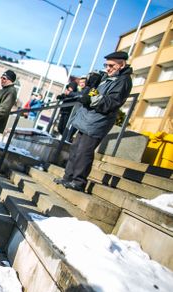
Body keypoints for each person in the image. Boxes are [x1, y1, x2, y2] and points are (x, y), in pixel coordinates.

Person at [54, 51, 133, 192]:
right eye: (106, 65)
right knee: (75, 149)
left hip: (98, 122)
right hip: (87, 119)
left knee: (84, 152)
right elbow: (91, 93)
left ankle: (78, 182)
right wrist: (91, 86)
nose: (107, 68)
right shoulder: (107, 77)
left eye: (111, 65)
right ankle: (68, 177)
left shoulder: (123, 81)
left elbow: (111, 102)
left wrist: (90, 99)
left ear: (122, 64)